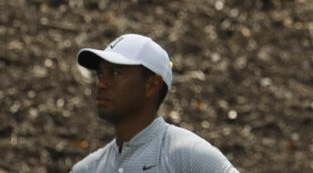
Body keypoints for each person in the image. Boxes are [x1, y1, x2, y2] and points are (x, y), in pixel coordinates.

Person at [70, 32, 238, 172]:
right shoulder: (87, 169)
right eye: (100, 74)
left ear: (152, 85)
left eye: (115, 73)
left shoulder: (188, 155)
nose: (101, 84)